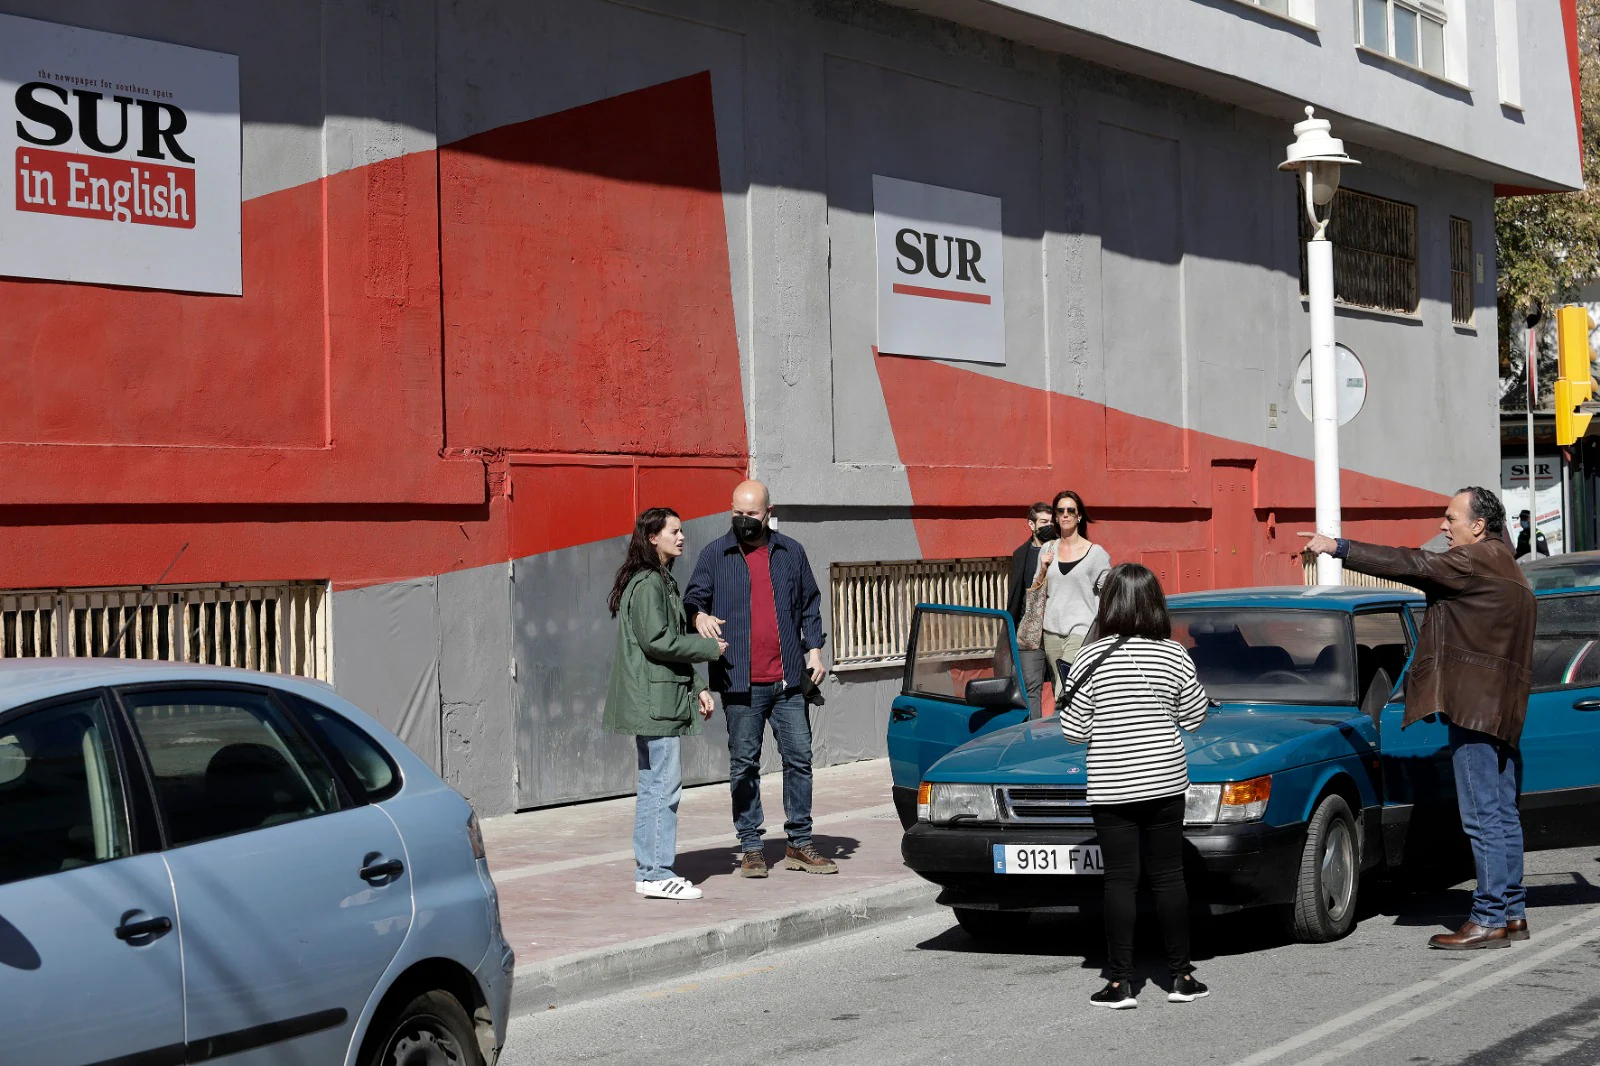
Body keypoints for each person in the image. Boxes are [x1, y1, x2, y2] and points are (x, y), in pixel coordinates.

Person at [1302, 486, 1536, 949]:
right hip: (1504, 711)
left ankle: (1489, 918)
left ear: (1478, 526)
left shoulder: (1473, 562)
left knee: (1484, 815)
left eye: (1451, 519)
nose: (1442, 528)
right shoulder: (1512, 568)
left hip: (1475, 709)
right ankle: (1512, 912)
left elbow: (1413, 564)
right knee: (1503, 814)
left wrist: (1339, 547)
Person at [1060, 563, 1210, 1009]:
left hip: (1112, 784)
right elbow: (1195, 718)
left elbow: (1073, 730)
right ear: (1154, 603)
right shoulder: (1175, 654)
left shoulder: (1089, 659)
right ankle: (1181, 976)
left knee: (1121, 881)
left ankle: (1120, 983)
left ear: (1109, 604)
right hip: (1164, 780)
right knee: (1168, 877)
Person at [684, 480, 837, 878]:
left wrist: (815, 650)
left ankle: (799, 843)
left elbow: (809, 603)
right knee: (744, 766)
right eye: (737, 513)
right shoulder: (716, 554)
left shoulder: (790, 552)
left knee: (799, 760)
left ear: (768, 512)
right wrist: (698, 615)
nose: (744, 521)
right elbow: (692, 599)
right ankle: (751, 846)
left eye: (751, 514)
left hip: (787, 680)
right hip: (740, 683)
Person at [603, 507, 727, 901]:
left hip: (662, 698)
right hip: (654, 703)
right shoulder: (649, 584)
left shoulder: (661, 581)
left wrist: (698, 686)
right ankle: (656, 872)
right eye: (674, 531)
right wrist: (709, 648)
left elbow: (667, 642)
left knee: (655, 785)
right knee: (662, 787)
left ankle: (649, 872)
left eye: (681, 530)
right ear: (652, 537)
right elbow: (658, 640)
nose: (681, 537)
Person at [1041, 490, 1112, 690]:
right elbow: (1037, 589)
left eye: (1070, 510)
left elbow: (1109, 593)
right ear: (1055, 516)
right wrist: (1043, 569)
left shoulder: (1095, 553)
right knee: (1063, 687)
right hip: (1052, 630)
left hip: (1082, 629)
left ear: (1079, 516)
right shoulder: (1047, 550)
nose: (1065, 515)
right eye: (1060, 511)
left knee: (1066, 686)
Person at [1008, 502, 1057, 715]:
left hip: (1057, 628)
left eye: (1051, 522)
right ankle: (1034, 736)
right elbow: (1016, 596)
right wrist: (1011, 631)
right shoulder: (1021, 555)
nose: (1049, 526)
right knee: (1031, 689)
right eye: (1044, 522)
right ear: (1031, 524)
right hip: (1029, 633)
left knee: (1064, 685)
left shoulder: (1062, 551)